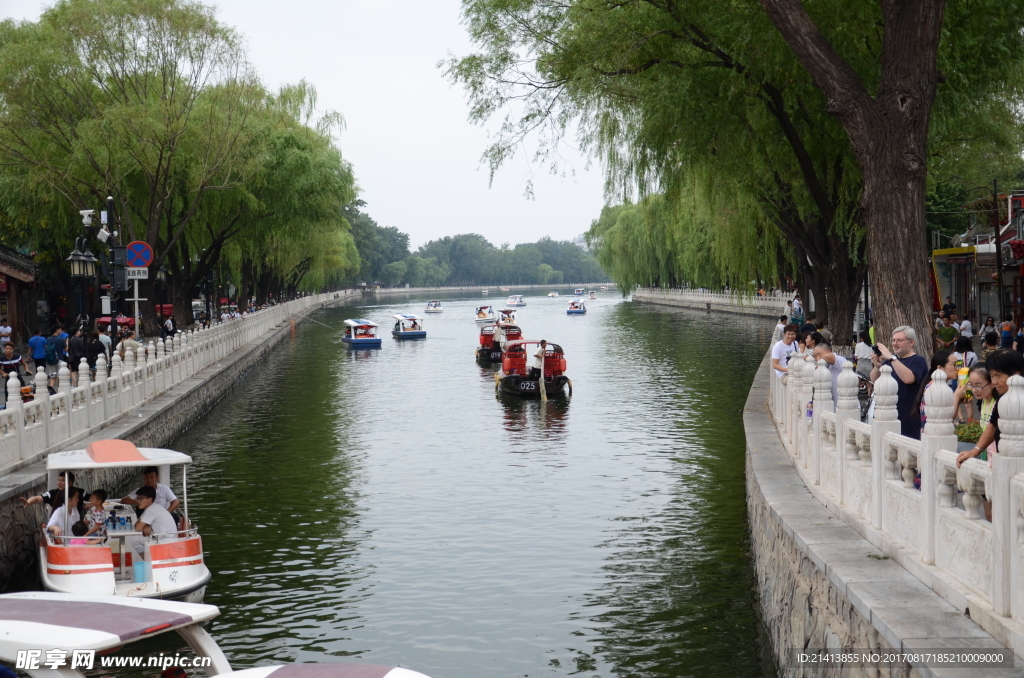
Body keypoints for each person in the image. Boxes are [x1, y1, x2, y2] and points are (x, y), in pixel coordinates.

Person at [957, 349, 1024, 469]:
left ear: (1016, 375)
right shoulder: (1003, 399)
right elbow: (993, 424)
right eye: (992, 376)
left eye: (997, 376)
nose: (994, 382)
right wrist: (975, 451)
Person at [869, 326, 930, 440]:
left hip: (908, 417)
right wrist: (878, 366)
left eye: (899, 340)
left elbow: (908, 378)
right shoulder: (889, 360)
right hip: (886, 414)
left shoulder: (918, 360)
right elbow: (875, 381)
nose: (895, 344)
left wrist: (892, 359)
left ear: (911, 342)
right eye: (893, 340)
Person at [914, 350, 964, 434]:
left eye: (959, 365)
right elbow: (947, 418)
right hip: (934, 438)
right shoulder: (935, 388)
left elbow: (950, 418)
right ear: (940, 368)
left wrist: (957, 400)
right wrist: (956, 396)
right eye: (955, 365)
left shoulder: (939, 386)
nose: (958, 369)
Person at [131, 485, 178, 557]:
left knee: (135, 540)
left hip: (165, 542)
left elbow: (138, 528)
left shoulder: (151, 510)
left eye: (141, 498)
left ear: (150, 499)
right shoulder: (153, 507)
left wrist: (143, 525)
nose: (138, 501)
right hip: (166, 539)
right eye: (138, 498)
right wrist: (145, 525)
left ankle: (148, 563)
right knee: (137, 539)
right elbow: (137, 525)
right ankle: (150, 562)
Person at [19, 471, 86, 511]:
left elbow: (93, 498)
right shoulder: (53, 493)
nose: (59, 483)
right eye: (58, 480)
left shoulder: (80, 492)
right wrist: (28, 502)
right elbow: (37, 499)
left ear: (70, 483)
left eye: (62, 481)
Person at [811, 341, 847, 407]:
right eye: (815, 356)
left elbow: (829, 356)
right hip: (832, 407)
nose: (817, 358)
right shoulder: (824, 367)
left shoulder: (839, 360)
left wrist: (821, 361)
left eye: (819, 354)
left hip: (846, 406)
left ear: (828, 351)